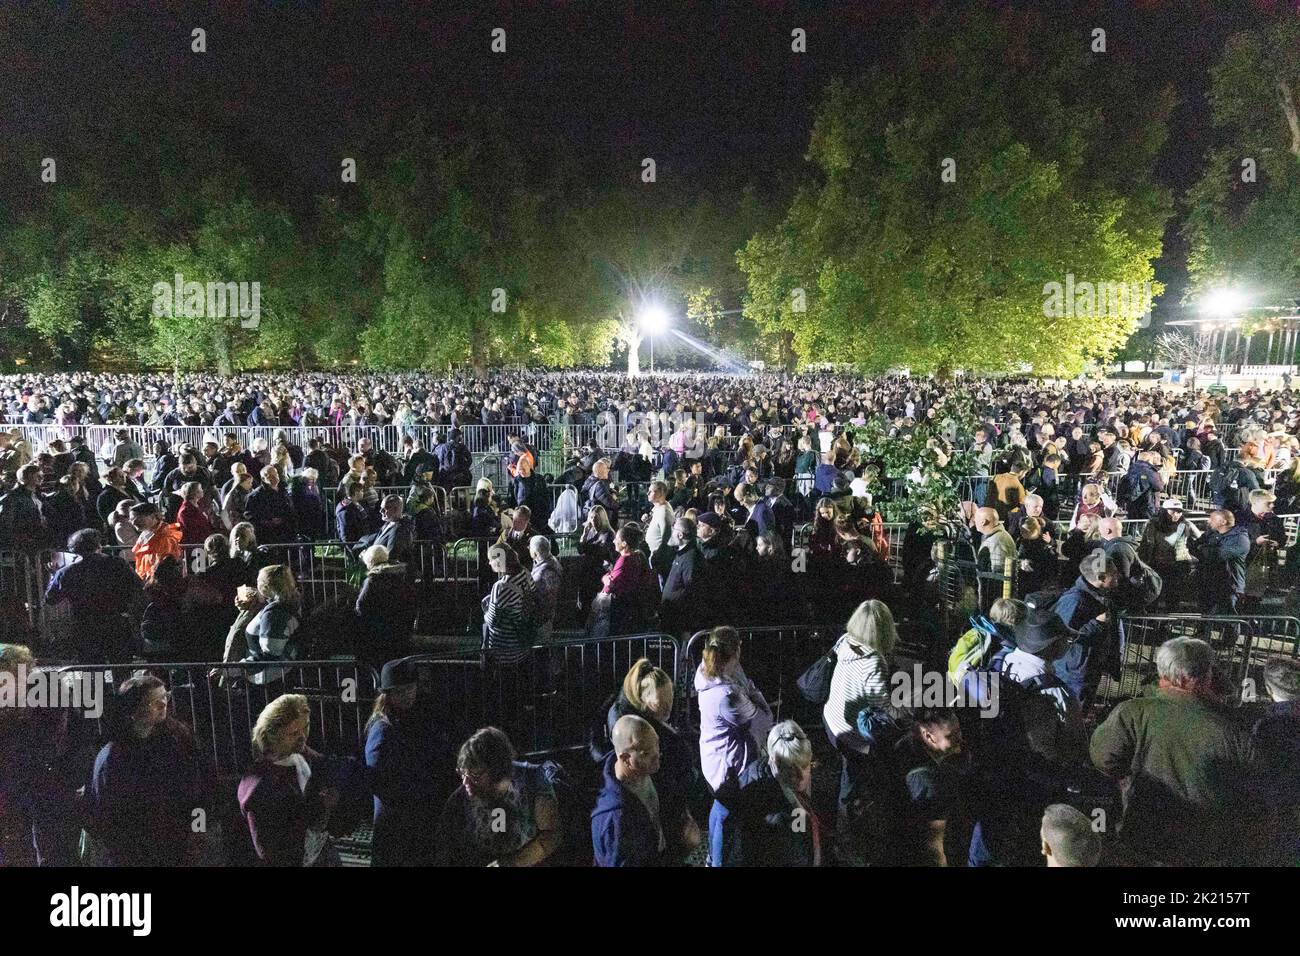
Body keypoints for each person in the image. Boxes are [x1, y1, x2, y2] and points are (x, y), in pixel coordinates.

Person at [1090, 637, 1254, 865]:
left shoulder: (1132, 713)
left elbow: (1103, 757)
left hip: (1144, 834)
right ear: (1205, 675)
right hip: (1207, 845)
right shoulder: (1236, 726)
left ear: (1161, 671)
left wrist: (1127, 779)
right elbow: (1255, 790)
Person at [87, 674, 207, 866]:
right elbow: (106, 815)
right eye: (153, 701)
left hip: (178, 847)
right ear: (133, 710)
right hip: (137, 853)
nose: (163, 704)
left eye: (165, 697)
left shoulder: (180, 738)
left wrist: (198, 831)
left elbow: (199, 789)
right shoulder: (113, 758)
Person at [694, 625, 773, 866]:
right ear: (736, 651)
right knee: (726, 818)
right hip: (729, 767)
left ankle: (711, 858)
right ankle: (718, 861)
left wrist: (747, 690)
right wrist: (754, 693)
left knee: (719, 810)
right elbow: (763, 719)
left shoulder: (706, 672)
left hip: (713, 756)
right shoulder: (727, 694)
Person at [434, 727, 562, 866]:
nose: (465, 782)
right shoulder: (458, 801)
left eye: (475, 775)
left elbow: (552, 834)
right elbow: (444, 849)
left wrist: (512, 863)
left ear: (497, 770)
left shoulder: (532, 780)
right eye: (463, 774)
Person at [238, 694, 341, 866]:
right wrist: (320, 805)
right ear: (273, 736)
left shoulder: (300, 754)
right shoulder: (259, 786)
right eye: (293, 733)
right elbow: (267, 849)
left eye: (306, 727)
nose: (303, 736)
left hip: (319, 851)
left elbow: (323, 766)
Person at [364, 659, 448, 867]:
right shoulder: (383, 729)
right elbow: (377, 776)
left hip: (420, 819)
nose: (409, 694)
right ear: (389, 694)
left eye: (411, 688)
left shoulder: (419, 716)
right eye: (401, 691)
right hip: (396, 823)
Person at [44, 528, 143, 663]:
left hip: (85, 625)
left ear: (73, 550)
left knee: (93, 672)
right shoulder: (118, 564)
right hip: (116, 620)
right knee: (121, 667)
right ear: (99, 546)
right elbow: (137, 586)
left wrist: (53, 575)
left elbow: (51, 598)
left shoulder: (66, 572)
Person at [735, 720, 823, 866]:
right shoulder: (780, 815)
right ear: (775, 763)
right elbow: (797, 852)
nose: (802, 777)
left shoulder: (758, 768)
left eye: (805, 765)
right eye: (792, 769)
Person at [591, 715, 669, 866]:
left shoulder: (645, 770)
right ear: (626, 758)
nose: (657, 755)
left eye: (657, 745)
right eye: (646, 753)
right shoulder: (615, 818)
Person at [354, 544, 415, 672]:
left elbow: (361, 605)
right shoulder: (399, 576)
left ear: (370, 562)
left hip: (377, 632)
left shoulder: (372, 580)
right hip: (399, 629)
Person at [241, 564, 302, 685]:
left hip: (268, 677)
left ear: (266, 586)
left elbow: (269, 654)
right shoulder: (290, 600)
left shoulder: (274, 614)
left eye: (258, 582)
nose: (256, 585)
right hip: (281, 673)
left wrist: (236, 669)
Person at [481, 544, 540, 665]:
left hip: (504, 650)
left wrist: (485, 611)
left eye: (490, 560)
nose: (489, 563)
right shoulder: (525, 573)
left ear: (498, 561)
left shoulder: (501, 586)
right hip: (522, 645)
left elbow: (493, 620)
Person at [1191, 509, 1251, 615]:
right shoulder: (1211, 533)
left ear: (1223, 522)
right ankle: (1203, 631)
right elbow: (1194, 547)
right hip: (1207, 581)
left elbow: (1218, 554)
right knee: (1205, 613)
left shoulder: (1240, 539)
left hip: (1229, 585)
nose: (1209, 521)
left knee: (1229, 617)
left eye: (1212, 519)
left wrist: (1202, 548)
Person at [128, 501, 183, 583]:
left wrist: (152, 580)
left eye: (138, 518)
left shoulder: (166, 536)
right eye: (131, 519)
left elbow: (165, 566)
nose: (133, 522)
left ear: (153, 516)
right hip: (145, 579)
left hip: (159, 583)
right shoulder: (146, 533)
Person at [243, 464, 297, 544]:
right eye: (270, 476)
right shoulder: (256, 496)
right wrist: (267, 522)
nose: (275, 477)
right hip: (268, 536)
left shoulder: (284, 490)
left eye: (276, 474)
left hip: (287, 533)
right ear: (263, 479)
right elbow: (250, 515)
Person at [528, 535, 562, 641]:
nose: (528, 548)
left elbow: (550, 596)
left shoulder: (546, 570)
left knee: (541, 645)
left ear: (535, 553)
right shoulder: (546, 562)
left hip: (543, 617)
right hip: (542, 614)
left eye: (530, 547)